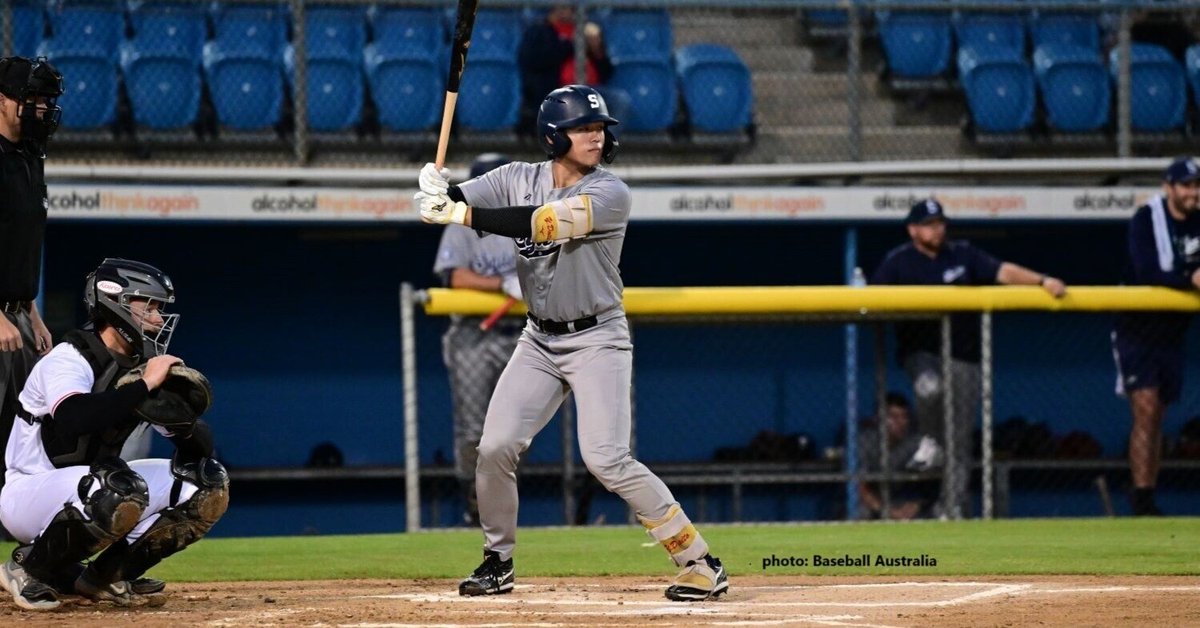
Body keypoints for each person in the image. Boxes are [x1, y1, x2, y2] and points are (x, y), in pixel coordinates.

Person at [414, 84, 728, 602]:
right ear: (553, 136)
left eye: (600, 128)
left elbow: (542, 222)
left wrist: (459, 213)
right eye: (583, 128)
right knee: (493, 448)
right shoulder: (516, 177)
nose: (596, 137)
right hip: (539, 339)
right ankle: (498, 560)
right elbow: (460, 200)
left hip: (598, 337)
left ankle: (699, 561)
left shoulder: (610, 193)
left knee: (606, 459)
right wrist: (436, 192)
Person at [0, 258, 229, 610]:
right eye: (148, 306)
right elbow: (74, 418)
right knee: (117, 485)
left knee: (206, 483)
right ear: (115, 304)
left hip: (91, 486)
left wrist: (184, 424)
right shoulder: (70, 358)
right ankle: (28, 570)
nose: (156, 317)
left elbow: (201, 452)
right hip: (28, 492)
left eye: (159, 308)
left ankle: (105, 577)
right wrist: (146, 385)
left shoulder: (140, 367)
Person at [870, 198, 1067, 519]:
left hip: (963, 354)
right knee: (929, 389)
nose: (938, 229)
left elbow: (1003, 271)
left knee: (960, 439)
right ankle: (931, 440)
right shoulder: (898, 262)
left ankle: (951, 508)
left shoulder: (962, 254)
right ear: (913, 229)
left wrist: (1042, 280)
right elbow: (873, 298)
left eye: (940, 223)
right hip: (922, 352)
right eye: (930, 224)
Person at [434, 152, 523, 527]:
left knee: (516, 430)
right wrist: (501, 284)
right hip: (473, 333)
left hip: (518, 335)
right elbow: (454, 277)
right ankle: (474, 502)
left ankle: (501, 500)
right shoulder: (461, 225)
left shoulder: (524, 221)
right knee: (473, 428)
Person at [1112, 156, 1200, 516]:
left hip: (1172, 331)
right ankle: (1142, 495)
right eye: (1186, 186)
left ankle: (1147, 490)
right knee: (1145, 409)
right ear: (1169, 188)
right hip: (1137, 327)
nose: (1193, 192)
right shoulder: (1148, 218)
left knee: (1158, 414)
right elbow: (1147, 269)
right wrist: (1191, 277)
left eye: (1196, 186)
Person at [0, 56, 64, 514]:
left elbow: (21, 243)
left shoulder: (30, 157)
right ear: (2, 101)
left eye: (46, 100)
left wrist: (30, 310)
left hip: (18, 314)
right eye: (33, 98)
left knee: (18, 442)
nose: (42, 108)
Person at [517, 5, 613, 134]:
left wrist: (596, 50)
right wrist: (571, 44)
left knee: (619, 101)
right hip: (558, 89)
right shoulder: (540, 31)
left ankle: (602, 146)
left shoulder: (585, 30)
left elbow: (606, 72)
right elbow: (535, 61)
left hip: (590, 89)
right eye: (562, 7)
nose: (567, 12)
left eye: (570, 8)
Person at [856, 392, 937, 520]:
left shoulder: (915, 443)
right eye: (893, 417)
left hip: (903, 500)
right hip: (875, 502)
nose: (900, 422)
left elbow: (932, 483)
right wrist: (888, 512)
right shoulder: (866, 441)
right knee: (861, 512)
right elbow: (859, 487)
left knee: (934, 510)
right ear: (879, 419)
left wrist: (916, 504)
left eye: (904, 417)